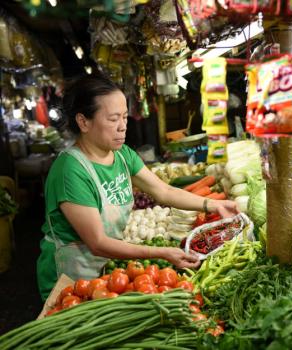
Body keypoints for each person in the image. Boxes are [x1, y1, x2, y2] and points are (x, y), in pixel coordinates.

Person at [37, 74, 238, 300]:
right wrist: (160, 253)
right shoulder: (70, 171)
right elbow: (98, 242)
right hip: (70, 275)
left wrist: (213, 204)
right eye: (113, 119)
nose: (123, 126)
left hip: (104, 267)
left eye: (124, 117)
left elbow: (164, 191)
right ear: (83, 122)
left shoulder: (122, 155)